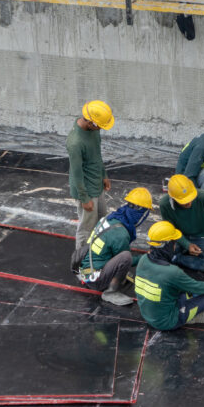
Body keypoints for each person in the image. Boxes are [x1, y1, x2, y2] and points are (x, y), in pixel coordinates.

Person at [134, 221, 204, 329]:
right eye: (174, 242)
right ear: (168, 244)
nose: (175, 246)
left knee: (185, 292)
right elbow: (197, 287)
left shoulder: (143, 260)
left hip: (149, 316)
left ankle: (191, 312)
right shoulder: (171, 272)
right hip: (169, 321)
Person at [72, 187, 153, 306]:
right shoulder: (121, 233)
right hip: (95, 279)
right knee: (126, 257)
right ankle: (110, 292)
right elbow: (126, 260)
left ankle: (107, 276)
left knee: (121, 255)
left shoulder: (112, 218)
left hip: (85, 269)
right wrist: (145, 257)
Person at [67, 100, 114, 246]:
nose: (101, 128)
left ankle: (97, 251)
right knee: (86, 229)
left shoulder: (93, 130)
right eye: (99, 125)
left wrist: (104, 175)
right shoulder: (75, 143)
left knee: (101, 220)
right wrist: (84, 198)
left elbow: (97, 155)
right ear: (90, 123)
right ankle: (81, 262)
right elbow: (77, 173)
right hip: (86, 190)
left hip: (96, 183)